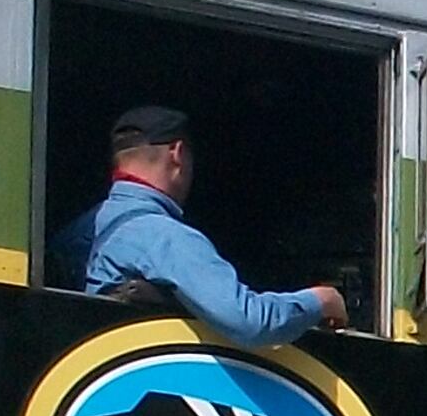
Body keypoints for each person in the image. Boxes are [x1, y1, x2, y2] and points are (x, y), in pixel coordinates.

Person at [45, 105, 345, 346]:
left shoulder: (80, 231)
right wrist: (321, 300)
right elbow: (250, 322)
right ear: (177, 153)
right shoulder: (165, 237)